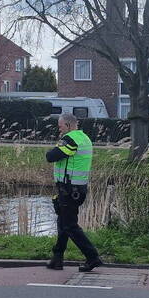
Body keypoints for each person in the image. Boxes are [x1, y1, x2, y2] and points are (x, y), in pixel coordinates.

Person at [45, 113, 103, 272]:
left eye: (60, 126)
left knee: (69, 226)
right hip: (76, 189)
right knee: (62, 223)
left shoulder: (71, 139)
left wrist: (54, 148)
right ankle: (57, 259)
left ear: (68, 125)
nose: (59, 129)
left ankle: (92, 257)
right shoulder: (84, 138)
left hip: (69, 190)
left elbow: (51, 156)